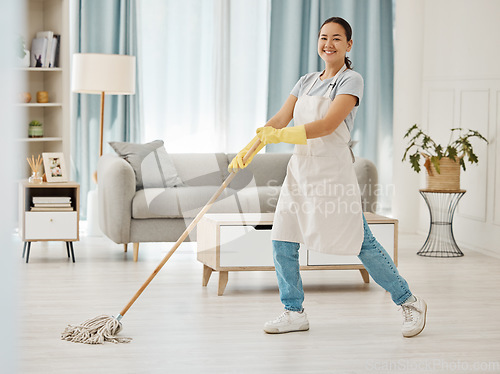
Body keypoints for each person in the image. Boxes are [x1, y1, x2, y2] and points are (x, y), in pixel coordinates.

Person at [229, 17, 427, 338]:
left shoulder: (351, 80)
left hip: (332, 174)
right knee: (282, 239)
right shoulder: (306, 81)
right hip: (300, 172)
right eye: (323, 38)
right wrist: (251, 147)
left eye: (337, 38)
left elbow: (327, 126)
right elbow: (279, 118)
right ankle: (294, 311)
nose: (328, 44)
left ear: (349, 45)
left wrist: (280, 136)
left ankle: (410, 301)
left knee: (361, 242)